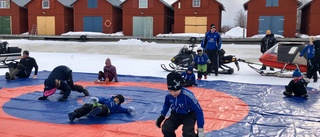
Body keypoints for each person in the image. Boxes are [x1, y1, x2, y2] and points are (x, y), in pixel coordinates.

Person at [155, 72, 205, 137]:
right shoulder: (168, 96)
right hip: (176, 114)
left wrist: (200, 129)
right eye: (170, 91)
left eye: (175, 91)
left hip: (189, 115)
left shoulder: (188, 96)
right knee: (166, 128)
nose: (173, 93)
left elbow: (198, 111)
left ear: (180, 88)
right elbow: (166, 105)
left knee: (187, 134)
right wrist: (162, 116)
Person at [68, 94, 135, 122]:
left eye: (118, 101)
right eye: (116, 99)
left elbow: (123, 110)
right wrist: (96, 100)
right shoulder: (108, 99)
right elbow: (102, 100)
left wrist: (128, 110)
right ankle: (75, 114)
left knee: (104, 107)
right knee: (87, 106)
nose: (116, 101)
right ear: (115, 97)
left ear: (119, 103)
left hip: (106, 110)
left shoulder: (117, 107)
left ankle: (98, 110)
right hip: (97, 106)